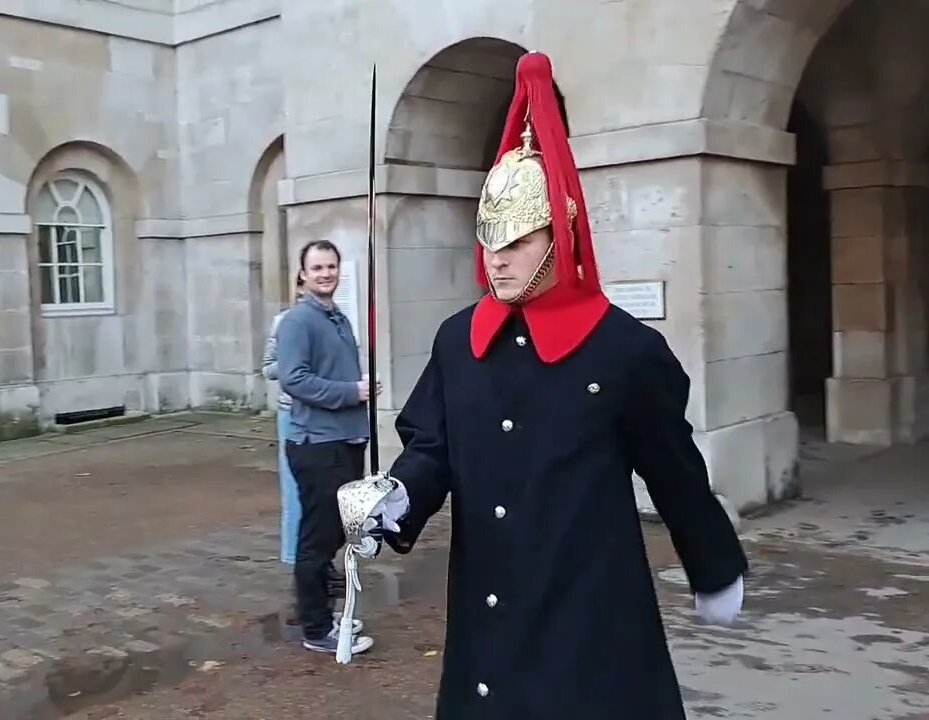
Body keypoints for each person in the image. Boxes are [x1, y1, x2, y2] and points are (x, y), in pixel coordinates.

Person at [354, 52, 748, 718]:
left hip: (589, 606)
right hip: (489, 600)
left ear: (558, 235)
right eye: (489, 238)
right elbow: (433, 448)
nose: (496, 257)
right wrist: (394, 497)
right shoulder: (458, 338)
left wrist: (712, 564)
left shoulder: (624, 350)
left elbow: (674, 469)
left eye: (516, 239)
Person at [276, 239, 379, 655]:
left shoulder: (337, 317)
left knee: (335, 532)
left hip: (344, 440)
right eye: (317, 268)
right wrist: (350, 392)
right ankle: (317, 627)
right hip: (316, 443)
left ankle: (325, 610)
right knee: (318, 538)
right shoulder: (298, 321)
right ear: (302, 274)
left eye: (331, 266)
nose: (325, 274)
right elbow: (293, 379)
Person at [261, 275, 307, 566]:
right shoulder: (283, 322)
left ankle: (318, 559)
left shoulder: (334, 322)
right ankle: (294, 557)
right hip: (291, 411)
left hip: (324, 412)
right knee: (293, 488)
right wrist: (293, 362)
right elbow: (268, 368)